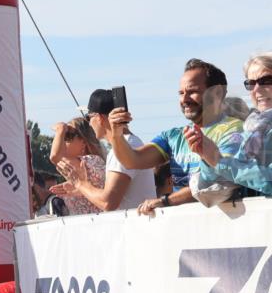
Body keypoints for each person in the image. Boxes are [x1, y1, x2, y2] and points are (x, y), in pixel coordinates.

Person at [108, 59, 244, 215]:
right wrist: (116, 135)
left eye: (192, 91)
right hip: (185, 226)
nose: (184, 99)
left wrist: (166, 200)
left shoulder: (234, 130)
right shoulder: (174, 136)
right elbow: (132, 160)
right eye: (181, 93)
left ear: (217, 93)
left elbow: (221, 180)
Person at [51, 89, 156, 211]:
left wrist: (80, 183)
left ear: (99, 118)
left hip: (134, 227)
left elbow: (108, 203)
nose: (89, 124)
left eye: (89, 117)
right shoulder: (129, 143)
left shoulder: (123, 148)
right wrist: (80, 190)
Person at [187, 53, 272, 197]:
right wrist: (208, 158)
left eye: (266, 80)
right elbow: (222, 180)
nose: (256, 89)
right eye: (251, 83)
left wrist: (219, 161)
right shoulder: (252, 128)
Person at [48, 116, 106, 216]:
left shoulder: (93, 161)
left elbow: (55, 156)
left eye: (68, 135)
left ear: (83, 141)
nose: (63, 140)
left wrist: (60, 129)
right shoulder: (73, 169)